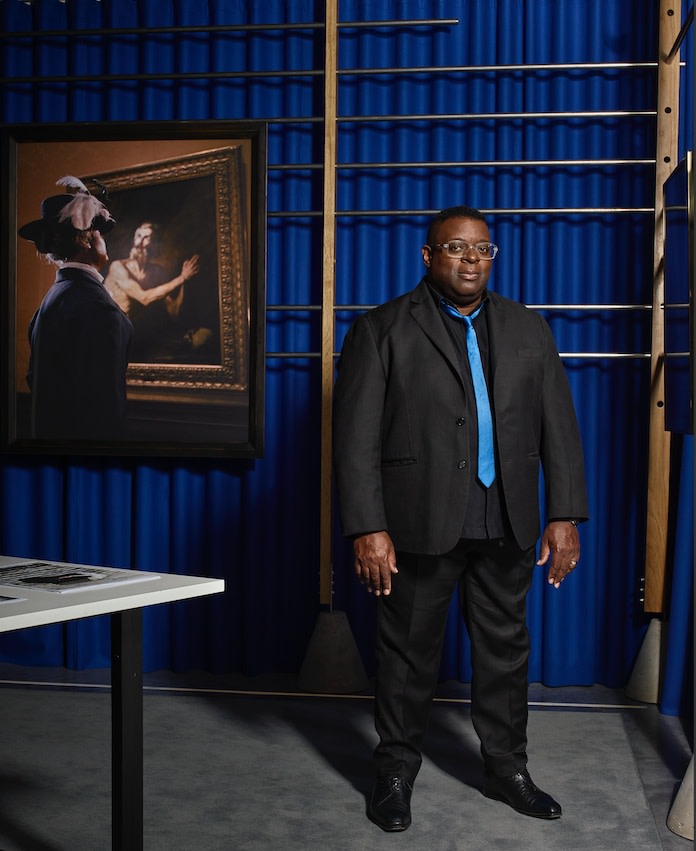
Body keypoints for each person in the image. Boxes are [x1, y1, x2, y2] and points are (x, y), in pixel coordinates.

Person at [332, 205, 588, 832]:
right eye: (456, 248)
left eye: (482, 250)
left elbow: (560, 428)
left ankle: (507, 770)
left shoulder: (529, 329)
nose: (471, 260)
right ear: (428, 255)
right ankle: (394, 772)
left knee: (505, 655)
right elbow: (355, 440)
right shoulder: (381, 329)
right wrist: (368, 528)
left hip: (508, 520)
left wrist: (565, 514)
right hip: (416, 524)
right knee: (407, 656)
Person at [19, 176, 133, 441]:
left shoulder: (55, 296)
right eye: (99, 233)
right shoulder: (96, 306)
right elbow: (103, 407)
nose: (104, 240)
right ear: (88, 240)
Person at [104, 222, 200, 362]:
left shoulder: (157, 272)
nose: (140, 242)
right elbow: (144, 298)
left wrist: (186, 282)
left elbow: (174, 312)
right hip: (116, 338)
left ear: (155, 244)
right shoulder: (118, 267)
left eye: (147, 238)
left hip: (142, 338)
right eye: (138, 236)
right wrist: (182, 278)